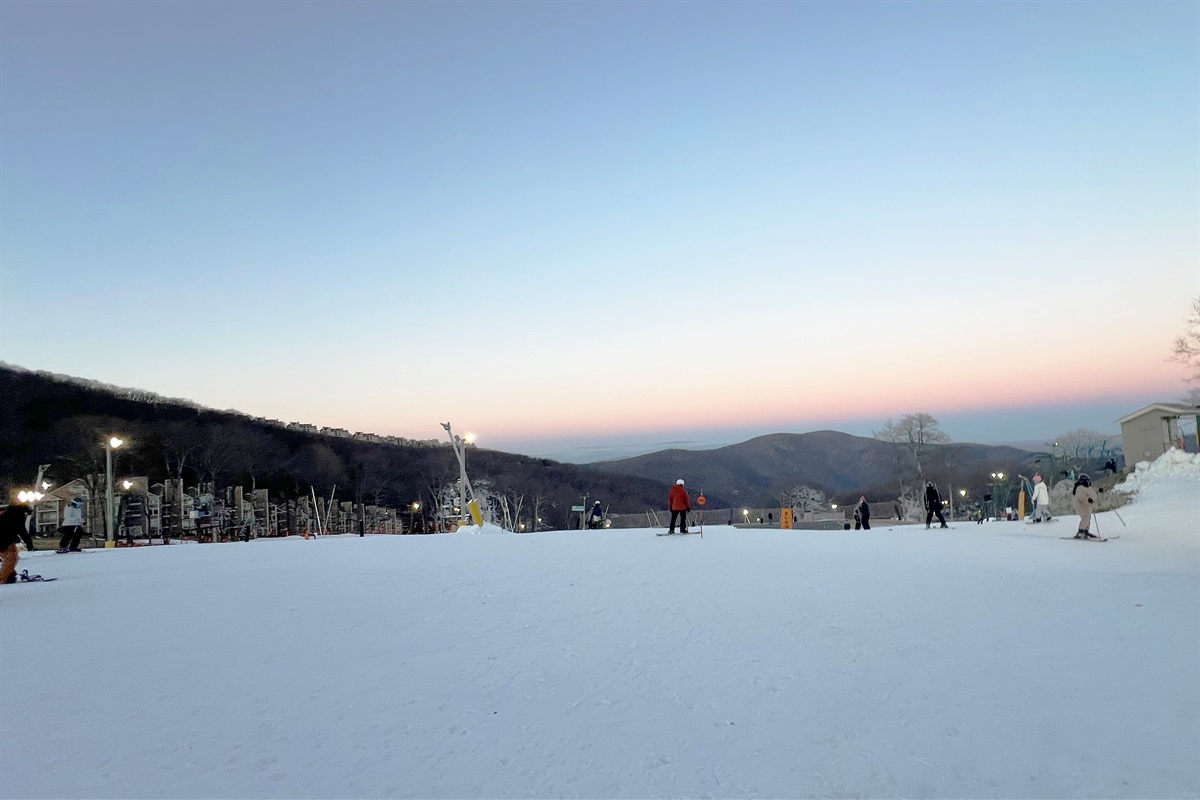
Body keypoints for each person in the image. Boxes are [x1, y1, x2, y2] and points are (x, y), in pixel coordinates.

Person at [0, 501, 33, 584]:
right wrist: (29, 544)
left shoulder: (9, 514)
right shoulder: (18, 516)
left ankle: (10, 575)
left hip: (6, 538)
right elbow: (22, 531)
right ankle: (2, 578)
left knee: (11, 557)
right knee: (11, 558)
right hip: (3, 539)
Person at [1072, 474, 1099, 539]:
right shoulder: (1079, 488)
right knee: (1085, 517)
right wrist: (1088, 499)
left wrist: (1092, 499)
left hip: (1088, 505)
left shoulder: (1089, 488)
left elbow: (1094, 495)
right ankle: (1081, 531)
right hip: (1081, 505)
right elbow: (1081, 497)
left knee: (1088, 517)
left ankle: (1086, 530)